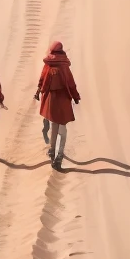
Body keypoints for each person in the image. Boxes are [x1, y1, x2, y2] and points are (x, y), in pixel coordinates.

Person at [35, 40, 80, 168]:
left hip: (51, 99)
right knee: (63, 128)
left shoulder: (48, 64)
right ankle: (59, 154)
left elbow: (42, 80)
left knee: (54, 125)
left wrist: (38, 91)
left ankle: (52, 150)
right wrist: (76, 97)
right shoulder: (64, 66)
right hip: (63, 99)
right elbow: (71, 83)